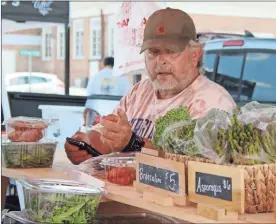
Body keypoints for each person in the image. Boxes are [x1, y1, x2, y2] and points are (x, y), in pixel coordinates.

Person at [65, 7, 236, 165]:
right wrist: (84, 144)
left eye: (171, 51)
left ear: (194, 55)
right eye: (154, 52)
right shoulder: (139, 92)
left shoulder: (213, 103)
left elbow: (196, 169)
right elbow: (106, 136)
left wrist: (133, 144)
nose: (161, 61)